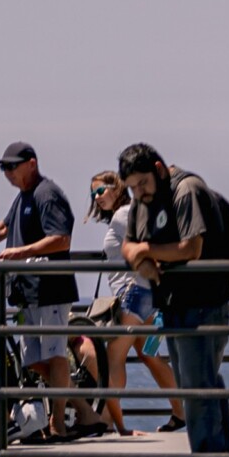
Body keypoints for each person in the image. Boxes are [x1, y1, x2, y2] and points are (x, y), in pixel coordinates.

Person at [116, 145, 229, 457]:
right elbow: (128, 245)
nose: (138, 193)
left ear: (159, 169)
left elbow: (192, 247)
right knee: (196, 380)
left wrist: (146, 250)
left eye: (142, 183)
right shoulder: (142, 202)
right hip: (172, 302)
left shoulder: (187, 190)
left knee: (198, 381)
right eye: (131, 187)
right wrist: (142, 258)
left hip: (204, 300)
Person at [71, 164, 184, 439]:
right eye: (93, 193)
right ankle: (182, 411)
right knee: (149, 355)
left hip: (133, 294)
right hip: (143, 295)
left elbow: (149, 244)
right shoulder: (124, 214)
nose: (96, 196)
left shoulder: (123, 214)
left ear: (117, 188)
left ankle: (108, 419)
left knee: (113, 356)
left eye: (101, 190)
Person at [0, 144, 78, 439]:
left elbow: (61, 240)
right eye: (3, 168)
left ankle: (58, 423)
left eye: (12, 167)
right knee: (32, 360)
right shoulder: (23, 196)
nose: (7, 173)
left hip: (50, 290)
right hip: (27, 293)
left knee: (55, 355)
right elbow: (3, 229)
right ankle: (81, 406)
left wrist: (19, 253)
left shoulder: (47, 194)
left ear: (31, 164)